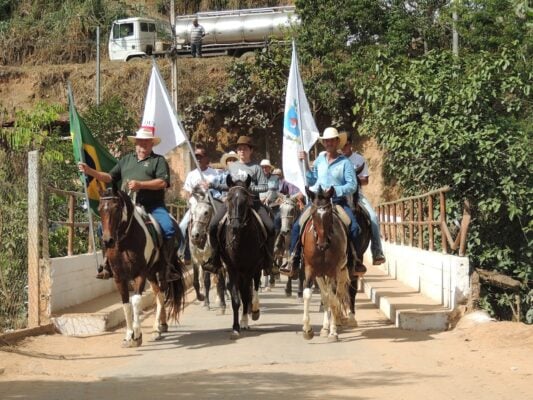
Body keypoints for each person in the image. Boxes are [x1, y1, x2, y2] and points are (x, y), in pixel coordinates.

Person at [78, 126, 180, 288]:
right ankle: (108, 265)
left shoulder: (158, 161)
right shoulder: (126, 160)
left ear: (151, 144)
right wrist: (90, 171)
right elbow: (109, 177)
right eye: (140, 143)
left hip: (153, 206)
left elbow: (162, 182)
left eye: (146, 143)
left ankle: (167, 267)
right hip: (128, 206)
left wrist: (140, 184)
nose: (142, 146)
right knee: (101, 229)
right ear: (136, 144)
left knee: (168, 228)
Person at [279, 127, 361, 278]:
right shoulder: (319, 160)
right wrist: (305, 165)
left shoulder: (345, 163)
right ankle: (292, 260)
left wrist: (336, 190)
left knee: (354, 227)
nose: (329, 143)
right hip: (317, 201)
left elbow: (352, 185)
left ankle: (355, 261)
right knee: (297, 226)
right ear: (324, 143)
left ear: (337, 142)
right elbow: (311, 179)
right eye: (326, 140)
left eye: (332, 140)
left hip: (336, 202)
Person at [204, 136, 275, 274]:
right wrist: (213, 184)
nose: (242, 151)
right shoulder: (232, 166)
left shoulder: (256, 168)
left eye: (245, 148)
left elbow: (264, 186)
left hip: (253, 203)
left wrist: (247, 189)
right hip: (232, 203)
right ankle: (215, 259)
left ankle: (269, 261)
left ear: (251, 150)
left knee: (271, 227)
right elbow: (227, 185)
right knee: (213, 225)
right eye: (239, 148)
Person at [342, 137, 386, 265]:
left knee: (373, 217)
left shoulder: (359, 159)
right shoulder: (338, 160)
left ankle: (377, 251)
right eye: (340, 146)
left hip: (357, 195)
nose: (342, 148)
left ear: (350, 144)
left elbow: (366, 181)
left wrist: (353, 179)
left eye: (344, 145)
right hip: (340, 195)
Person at [178, 145, 221, 263]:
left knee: (221, 226)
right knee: (182, 226)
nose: (198, 159)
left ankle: (220, 253)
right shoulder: (191, 174)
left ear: (206, 158)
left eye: (200, 157)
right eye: (196, 157)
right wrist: (191, 194)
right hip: (195, 207)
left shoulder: (214, 173)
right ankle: (183, 253)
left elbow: (219, 191)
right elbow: (186, 192)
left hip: (210, 206)